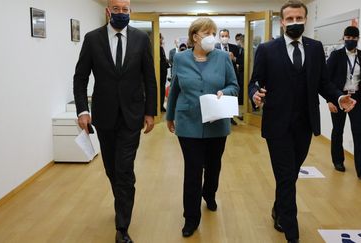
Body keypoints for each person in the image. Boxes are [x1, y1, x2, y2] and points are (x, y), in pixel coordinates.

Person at [249, 1, 356, 242]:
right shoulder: (267, 49)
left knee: (291, 173)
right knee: (286, 175)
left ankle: (278, 208)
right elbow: (255, 82)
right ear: (283, 21)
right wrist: (255, 93)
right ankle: (291, 231)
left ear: (305, 20)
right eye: (290, 18)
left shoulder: (316, 48)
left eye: (299, 18)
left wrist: (338, 97)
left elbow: (323, 82)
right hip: (277, 124)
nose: (295, 22)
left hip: (305, 124)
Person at [73, 0, 157, 242]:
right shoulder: (92, 39)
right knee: (112, 169)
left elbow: (149, 78)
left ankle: (122, 227)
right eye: (116, 9)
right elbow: (80, 78)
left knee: (124, 169)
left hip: (132, 115)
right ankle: (121, 202)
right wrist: (82, 111)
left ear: (131, 11)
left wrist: (150, 112)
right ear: (107, 11)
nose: (121, 13)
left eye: (125, 9)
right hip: (104, 115)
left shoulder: (141, 39)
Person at [166, 17, 239, 238]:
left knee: (213, 165)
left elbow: (234, 86)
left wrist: (223, 93)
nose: (211, 37)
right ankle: (191, 218)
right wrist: (169, 116)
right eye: (207, 33)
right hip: (188, 122)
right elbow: (176, 89)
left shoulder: (222, 58)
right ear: (194, 36)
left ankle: (210, 193)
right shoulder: (180, 58)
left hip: (217, 122)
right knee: (193, 170)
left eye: (213, 33)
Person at [326, 26, 361, 179]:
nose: (350, 40)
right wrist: (330, 100)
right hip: (339, 98)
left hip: (358, 100)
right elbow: (326, 80)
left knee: (359, 133)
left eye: (354, 38)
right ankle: (338, 161)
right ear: (343, 38)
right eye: (348, 38)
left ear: (358, 39)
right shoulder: (336, 55)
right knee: (338, 130)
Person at [215, 29, 240, 125]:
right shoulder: (215, 47)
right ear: (219, 37)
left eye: (226, 36)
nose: (224, 38)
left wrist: (234, 58)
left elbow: (241, 61)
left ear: (229, 37)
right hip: (219, 75)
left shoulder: (235, 48)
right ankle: (220, 116)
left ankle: (231, 117)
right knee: (220, 96)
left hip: (232, 75)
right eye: (222, 36)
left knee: (231, 97)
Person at [160, 33, 170, 112]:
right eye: (161, 38)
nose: (162, 40)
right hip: (160, 72)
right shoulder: (158, 48)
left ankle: (161, 105)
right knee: (160, 89)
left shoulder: (161, 48)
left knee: (162, 88)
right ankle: (160, 106)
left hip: (163, 72)